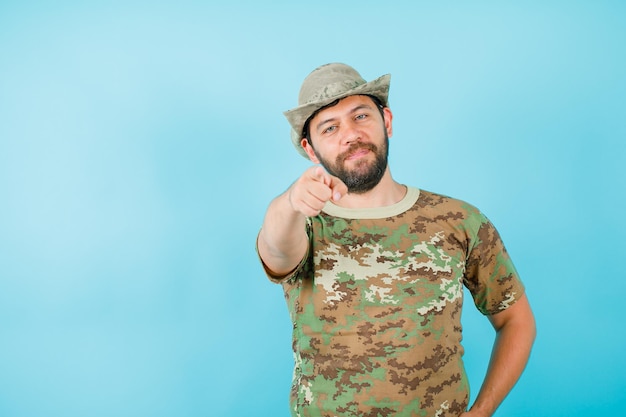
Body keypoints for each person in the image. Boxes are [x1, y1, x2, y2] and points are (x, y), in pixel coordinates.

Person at [256, 63, 536, 417]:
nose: (350, 134)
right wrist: (291, 201)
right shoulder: (302, 224)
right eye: (330, 127)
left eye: (360, 116)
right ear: (311, 150)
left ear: (386, 121)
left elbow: (516, 320)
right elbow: (276, 249)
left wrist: (482, 410)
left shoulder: (460, 220)